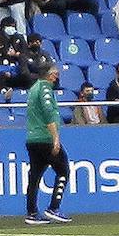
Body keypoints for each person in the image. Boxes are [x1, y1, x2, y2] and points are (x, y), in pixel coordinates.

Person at [23, 60, 71, 225]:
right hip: (45, 138)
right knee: (63, 170)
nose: (56, 77)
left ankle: (31, 212)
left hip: (32, 138)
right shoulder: (44, 88)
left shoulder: (34, 87)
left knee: (34, 176)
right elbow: (48, 112)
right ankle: (53, 207)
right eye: (55, 74)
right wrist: (55, 138)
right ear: (49, 75)